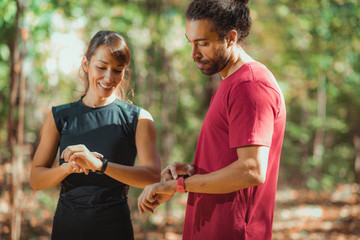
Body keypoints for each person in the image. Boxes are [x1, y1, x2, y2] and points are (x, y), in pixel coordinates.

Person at [137, 0, 286, 239]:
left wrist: (179, 186)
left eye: (202, 43)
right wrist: (192, 172)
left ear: (230, 38)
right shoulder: (231, 82)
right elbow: (230, 162)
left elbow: (252, 170)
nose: (193, 54)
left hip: (233, 232)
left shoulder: (250, 85)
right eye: (191, 43)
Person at [30, 30, 161, 240]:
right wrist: (68, 167)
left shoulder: (138, 118)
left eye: (118, 70)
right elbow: (36, 180)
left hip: (114, 228)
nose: (109, 78)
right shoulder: (59, 116)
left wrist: (100, 165)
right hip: (67, 227)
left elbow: (153, 176)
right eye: (101, 67)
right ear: (86, 64)